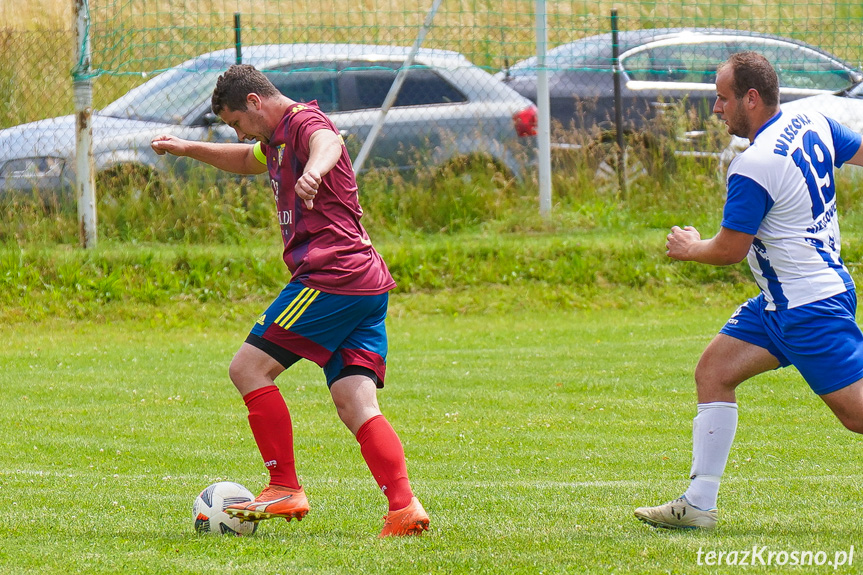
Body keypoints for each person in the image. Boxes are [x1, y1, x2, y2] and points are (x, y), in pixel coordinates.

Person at [151, 64, 429, 537]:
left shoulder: (302, 124)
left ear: (255, 103)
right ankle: (404, 509)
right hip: (365, 284)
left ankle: (283, 484)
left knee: (247, 369)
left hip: (330, 276)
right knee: (354, 402)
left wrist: (316, 173)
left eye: (237, 121)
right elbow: (244, 160)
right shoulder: (276, 141)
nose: (238, 131)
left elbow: (329, 142)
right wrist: (186, 148)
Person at [634, 51, 863, 530]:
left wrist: (690, 246)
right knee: (713, 371)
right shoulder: (812, 121)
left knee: (857, 416)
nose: (717, 108)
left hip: (808, 308)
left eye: (722, 98)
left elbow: (729, 249)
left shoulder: (752, 166)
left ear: (751, 99)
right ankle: (698, 504)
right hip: (784, 303)